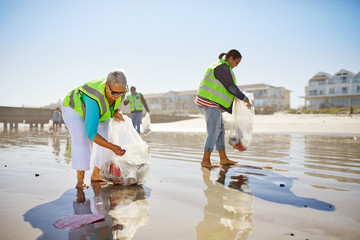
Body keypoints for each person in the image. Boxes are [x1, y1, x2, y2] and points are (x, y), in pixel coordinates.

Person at [61, 70, 127, 189]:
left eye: (121, 93)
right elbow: (91, 133)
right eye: (114, 92)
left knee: (104, 140)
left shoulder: (120, 90)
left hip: (99, 112)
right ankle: (80, 180)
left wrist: (116, 112)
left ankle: (97, 174)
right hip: (74, 109)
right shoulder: (94, 98)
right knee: (81, 139)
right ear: (107, 86)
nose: (118, 96)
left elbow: (113, 104)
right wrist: (112, 147)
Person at [195, 49, 252, 168]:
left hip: (213, 104)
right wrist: (245, 98)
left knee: (220, 131)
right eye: (237, 62)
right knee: (214, 131)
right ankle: (205, 161)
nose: (236, 65)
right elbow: (231, 87)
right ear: (231, 58)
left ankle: (223, 159)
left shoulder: (224, 67)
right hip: (209, 103)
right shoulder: (222, 68)